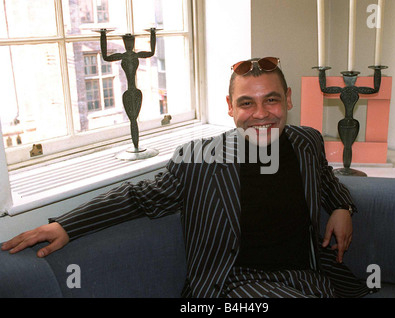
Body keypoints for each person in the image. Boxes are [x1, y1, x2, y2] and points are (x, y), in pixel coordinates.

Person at [1, 57, 369, 298]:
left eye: (271, 100)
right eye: (246, 103)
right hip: (234, 289)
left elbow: (324, 177)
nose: (261, 114)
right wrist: (67, 225)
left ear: (288, 99)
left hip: (310, 279)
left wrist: (341, 206)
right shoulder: (199, 158)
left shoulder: (306, 141)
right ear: (230, 107)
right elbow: (137, 197)